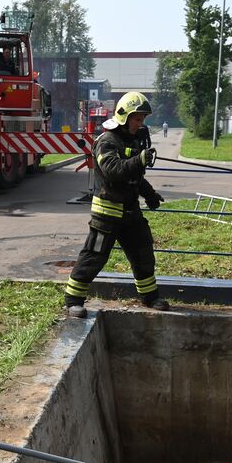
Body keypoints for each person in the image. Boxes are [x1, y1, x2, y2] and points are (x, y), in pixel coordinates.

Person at [63, 91, 168, 316]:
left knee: (143, 254)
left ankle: (150, 297)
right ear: (124, 116)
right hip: (107, 216)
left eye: (142, 120)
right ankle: (73, 300)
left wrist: (149, 194)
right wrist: (138, 160)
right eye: (137, 119)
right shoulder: (107, 141)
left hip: (131, 214)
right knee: (94, 256)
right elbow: (113, 172)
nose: (140, 124)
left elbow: (134, 177)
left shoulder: (131, 141)